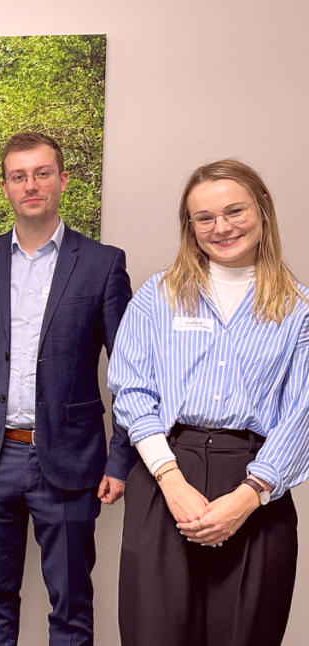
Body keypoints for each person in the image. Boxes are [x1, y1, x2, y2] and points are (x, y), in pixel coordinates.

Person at [0, 132, 137, 646]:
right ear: (5, 187)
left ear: (62, 181)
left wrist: (120, 460)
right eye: (19, 176)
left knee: (70, 604)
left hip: (69, 461)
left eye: (42, 173)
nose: (31, 185)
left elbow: (130, 371)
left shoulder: (102, 263)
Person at [108, 159, 309, 646]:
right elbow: (133, 391)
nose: (221, 227)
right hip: (164, 476)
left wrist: (247, 497)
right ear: (190, 226)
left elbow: (303, 413)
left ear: (262, 209)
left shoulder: (298, 310)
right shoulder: (156, 297)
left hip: (257, 486)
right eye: (204, 217)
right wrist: (172, 483)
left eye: (234, 210)